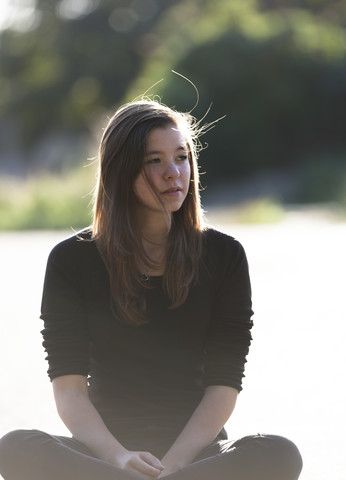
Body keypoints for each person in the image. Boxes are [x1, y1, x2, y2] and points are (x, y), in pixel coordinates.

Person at [0, 99, 302, 480]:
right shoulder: (71, 260)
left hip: (196, 455)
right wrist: (119, 459)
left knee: (279, 453)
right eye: (154, 161)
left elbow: (224, 384)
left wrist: (174, 467)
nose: (174, 173)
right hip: (104, 453)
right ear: (121, 170)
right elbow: (70, 390)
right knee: (13, 448)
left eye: (181, 157)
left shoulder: (223, 255)